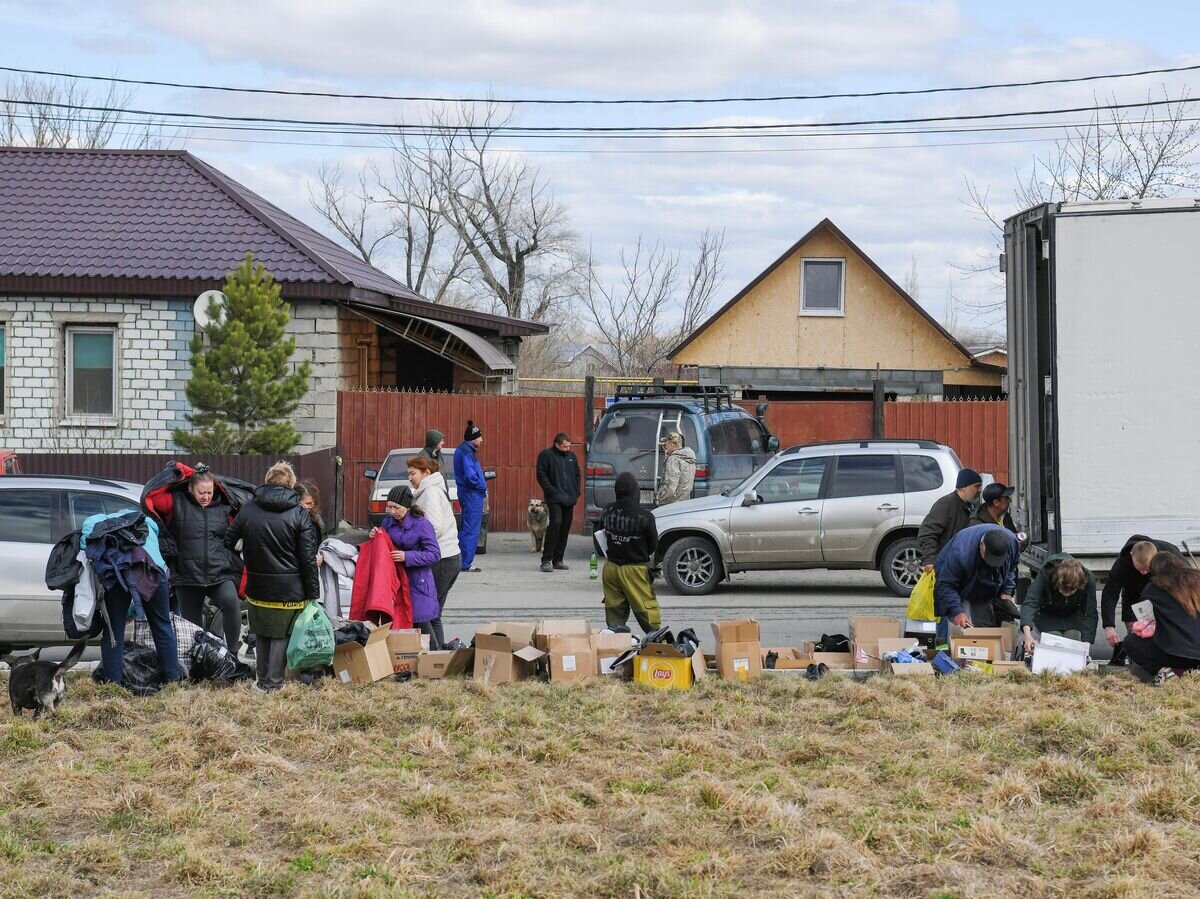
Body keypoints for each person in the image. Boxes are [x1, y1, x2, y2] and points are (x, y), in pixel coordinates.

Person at [224, 461, 320, 693]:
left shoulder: (248, 509)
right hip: (290, 586)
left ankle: (263, 681)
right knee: (281, 634)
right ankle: (274, 684)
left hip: (257, 585)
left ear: (267, 481)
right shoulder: (299, 513)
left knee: (263, 631)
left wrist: (248, 556)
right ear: (291, 484)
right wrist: (313, 592)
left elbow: (229, 540)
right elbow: (308, 558)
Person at [168, 467, 243, 654]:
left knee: (231, 603)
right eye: (202, 492)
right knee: (192, 625)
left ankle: (232, 654)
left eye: (210, 492)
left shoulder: (223, 508)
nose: (206, 496)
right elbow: (150, 496)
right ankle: (198, 660)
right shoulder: (176, 503)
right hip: (187, 575)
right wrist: (181, 471)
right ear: (190, 489)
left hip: (219, 572)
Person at [372, 485, 442, 641]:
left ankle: (435, 658)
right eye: (389, 506)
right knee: (399, 624)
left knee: (422, 625)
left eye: (396, 507)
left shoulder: (422, 524)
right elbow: (382, 544)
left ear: (407, 507)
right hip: (396, 581)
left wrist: (407, 556)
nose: (392, 511)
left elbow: (434, 554)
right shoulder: (388, 522)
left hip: (418, 582)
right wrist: (375, 535)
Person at [599, 472, 662, 633]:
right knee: (647, 612)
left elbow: (601, 536)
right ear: (636, 491)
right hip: (634, 569)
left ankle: (614, 644)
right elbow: (652, 545)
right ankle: (656, 644)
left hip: (610, 568)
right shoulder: (645, 517)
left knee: (614, 612)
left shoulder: (607, 510)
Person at [1102, 535, 1182, 660]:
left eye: (1147, 569)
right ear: (1131, 556)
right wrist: (1109, 626)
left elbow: (1188, 581)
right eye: (1140, 569)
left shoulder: (1170, 554)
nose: (1144, 573)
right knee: (1137, 636)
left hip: (1164, 597)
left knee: (1164, 636)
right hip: (1135, 599)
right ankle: (1139, 667)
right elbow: (1110, 592)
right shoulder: (1122, 564)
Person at [1123, 552, 1200, 684]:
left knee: (1130, 642)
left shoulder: (1153, 588)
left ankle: (1166, 671)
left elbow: (1145, 620)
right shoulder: (1197, 579)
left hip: (1172, 653)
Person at [407, 456, 459, 649]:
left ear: (426, 473)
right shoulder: (429, 491)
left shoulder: (430, 492)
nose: (410, 478)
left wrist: (415, 546)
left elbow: (434, 527)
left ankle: (435, 655)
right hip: (449, 556)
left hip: (442, 558)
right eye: (409, 474)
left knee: (424, 612)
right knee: (433, 612)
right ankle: (441, 657)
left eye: (413, 473)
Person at [933, 524, 1021, 629]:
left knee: (985, 625)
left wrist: (1007, 591)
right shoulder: (960, 554)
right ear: (982, 545)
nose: (992, 563)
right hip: (957, 580)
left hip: (986, 583)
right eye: (989, 557)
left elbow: (1012, 567)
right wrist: (957, 611)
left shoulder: (1012, 542)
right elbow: (946, 585)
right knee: (960, 623)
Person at [1020, 554, 1098, 656]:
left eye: (1072, 591)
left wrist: (1086, 645)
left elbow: (1090, 612)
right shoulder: (1045, 574)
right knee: (1052, 645)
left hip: (1073, 615)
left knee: (1073, 646)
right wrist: (1027, 635)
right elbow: (1030, 603)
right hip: (1048, 614)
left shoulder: (1088, 578)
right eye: (1063, 590)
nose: (1067, 593)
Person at [918, 468, 983, 571]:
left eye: (980, 486)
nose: (980, 490)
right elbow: (927, 533)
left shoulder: (973, 505)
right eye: (977, 486)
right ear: (963, 487)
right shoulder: (946, 504)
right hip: (947, 565)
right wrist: (930, 560)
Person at [536, 432, 581, 573]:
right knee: (556, 523)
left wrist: (576, 491)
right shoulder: (546, 455)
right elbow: (541, 474)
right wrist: (551, 490)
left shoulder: (572, 457)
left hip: (569, 498)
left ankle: (558, 559)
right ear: (557, 444)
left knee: (565, 526)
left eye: (569, 446)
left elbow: (577, 475)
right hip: (554, 497)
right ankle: (546, 560)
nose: (568, 449)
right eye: (565, 446)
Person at [453, 420, 487, 572]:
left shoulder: (465, 450)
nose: (482, 440)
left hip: (469, 493)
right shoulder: (467, 452)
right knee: (471, 528)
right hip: (472, 494)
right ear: (473, 438)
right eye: (480, 437)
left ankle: (461, 560)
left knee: (467, 527)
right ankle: (465, 563)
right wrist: (480, 486)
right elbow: (470, 476)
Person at [655, 431, 697, 506]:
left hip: (671, 504)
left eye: (666, 444)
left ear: (672, 444)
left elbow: (671, 486)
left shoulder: (673, 459)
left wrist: (659, 498)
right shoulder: (689, 458)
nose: (665, 447)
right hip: (684, 502)